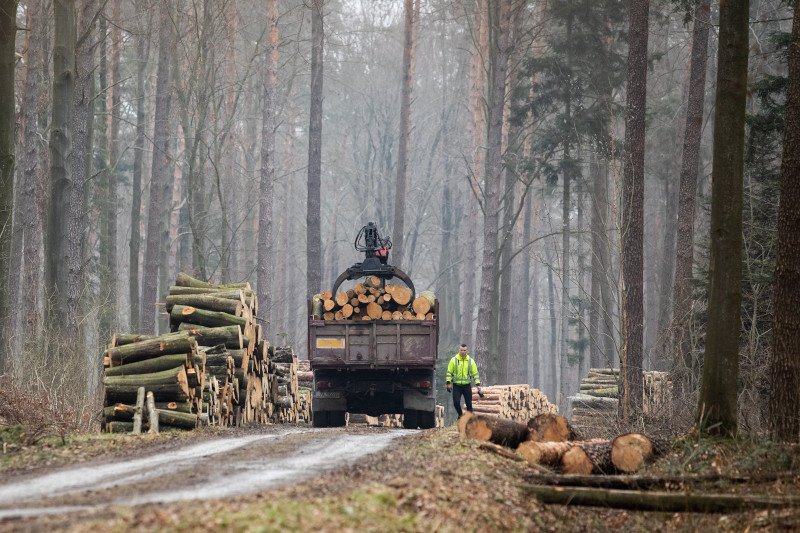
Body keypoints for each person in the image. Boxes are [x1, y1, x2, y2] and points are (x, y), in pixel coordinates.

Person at [445, 344, 482, 417]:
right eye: (461, 350)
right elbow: (449, 372)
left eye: (464, 350)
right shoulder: (454, 360)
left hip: (466, 386)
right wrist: (448, 383)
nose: (463, 352)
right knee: (456, 403)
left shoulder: (471, 361)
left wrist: (478, 385)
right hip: (456, 386)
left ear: (467, 351)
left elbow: (475, 374)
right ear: (459, 350)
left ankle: (470, 421)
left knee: (469, 404)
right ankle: (460, 415)